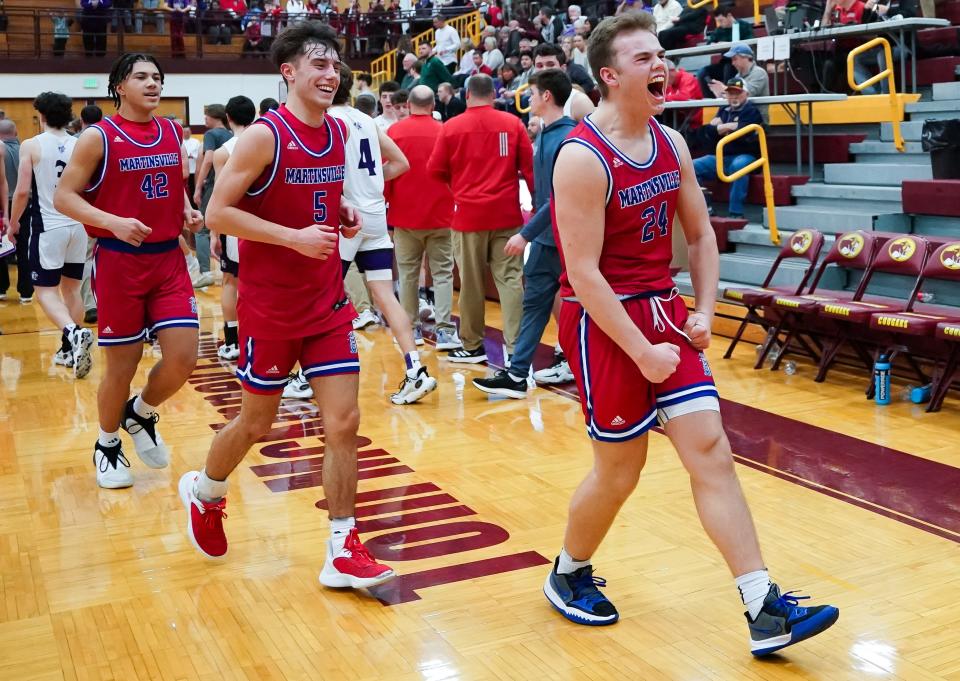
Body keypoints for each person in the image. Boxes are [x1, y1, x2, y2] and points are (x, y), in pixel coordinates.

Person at [544, 13, 839, 656]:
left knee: (711, 448)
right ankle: (568, 572)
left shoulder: (672, 145)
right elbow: (584, 275)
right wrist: (640, 349)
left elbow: (702, 236)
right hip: (602, 322)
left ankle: (763, 605)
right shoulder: (581, 158)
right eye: (644, 57)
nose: (660, 65)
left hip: (663, 311)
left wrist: (702, 310)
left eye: (661, 55)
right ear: (610, 76)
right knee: (620, 471)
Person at [179, 23, 396, 592]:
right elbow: (217, 213)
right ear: (289, 73)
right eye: (318, 64)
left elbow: (314, 195)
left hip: (325, 302)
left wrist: (342, 206)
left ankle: (342, 547)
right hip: (270, 306)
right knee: (257, 422)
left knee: (344, 422)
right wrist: (293, 237)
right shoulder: (261, 136)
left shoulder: (337, 133)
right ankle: (205, 490)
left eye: (336, 65)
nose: (331, 74)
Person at [55, 53, 203, 489]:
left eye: (157, 77)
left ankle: (138, 413)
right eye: (141, 77)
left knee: (183, 358)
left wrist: (188, 210)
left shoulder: (172, 131)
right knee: (122, 364)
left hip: (168, 260)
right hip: (120, 260)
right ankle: (106, 443)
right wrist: (111, 221)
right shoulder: (98, 137)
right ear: (119, 85)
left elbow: (172, 185)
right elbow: (65, 197)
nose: (153, 84)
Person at [326, 65, 438, 405]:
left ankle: (307, 375)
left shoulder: (329, 120)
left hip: (347, 215)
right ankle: (416, 369)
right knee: (385, 295)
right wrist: (372, 184)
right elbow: (400, 163)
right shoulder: (368, 121)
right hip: (375, 212)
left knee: (323, 295)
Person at [472, 68, 576, 398]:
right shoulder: (546, 133)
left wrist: (525, 233)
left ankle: (591, 367)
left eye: (532, 93)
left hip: (569, 241)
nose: (528, 98)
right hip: (548, 239)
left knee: (584, 309)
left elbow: (560, 198)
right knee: (533, 304)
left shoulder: (568, 137)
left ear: (547, 96)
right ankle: (517, 374)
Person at [428, 74, 533, 364]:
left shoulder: (451, 127)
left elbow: (435, 170)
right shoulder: (513, 124)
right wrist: (537, 207)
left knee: (471, 284)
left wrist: (458, 190)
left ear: (468, 95)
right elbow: (529, 168)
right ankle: (515, 349)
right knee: (511, 281)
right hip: (507, 214)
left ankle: (472, 345)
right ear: (493, 94)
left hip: (468, 216)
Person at [9, 92, 95, 378]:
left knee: (45, 291)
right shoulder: (80, 143)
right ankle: (69, 348)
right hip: (79, 225)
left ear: (41, 116)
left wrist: (12, 223)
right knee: (71, 289)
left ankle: (72, 332)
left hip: (48, 226)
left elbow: (22, 191)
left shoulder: (32, 145)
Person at [386, 85, 461, 352]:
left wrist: (389, 206)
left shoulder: (395, 131)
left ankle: (412, 329)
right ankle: (444, 331)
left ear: (407, 104)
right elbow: (456, 173)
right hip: (441, 215)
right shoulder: (445, 131)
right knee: (442, 274)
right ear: (433, 105)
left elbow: (387, 173)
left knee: (407, 274)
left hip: (405, 215)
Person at [210, 95, 256, 361]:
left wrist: (215, 233)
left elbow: (219, 196)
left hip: (235, 223)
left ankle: (233, 341)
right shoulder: (269, 140)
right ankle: (258, 338)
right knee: (260, 283)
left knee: (230, 281)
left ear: (228, 118)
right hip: (263, 223)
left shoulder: (223, 152)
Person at [693, 77, 763, 219]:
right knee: (691, 167)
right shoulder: (723, 110)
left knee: (739, 166)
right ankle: (706, 208)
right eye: (730, 93)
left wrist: (720, 126)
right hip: (721, 157)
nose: (734, 97)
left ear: (746, 94)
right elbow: (706, 132)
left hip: (746, 155)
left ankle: (735, 214)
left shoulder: (751, 110)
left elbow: (745, 131)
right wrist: (729, 126)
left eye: (738, 93)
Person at [193, 103, 233, 286]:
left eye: (206, 116)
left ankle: (205, 271)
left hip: (213, 185)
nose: (204, 120)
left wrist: (198, 186)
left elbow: (208, 159)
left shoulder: (211, 134)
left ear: (213, 117)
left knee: (202, 229)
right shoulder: (231, 134)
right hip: (230, 186)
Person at [0, 120, 33, 304]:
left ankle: (1, 288)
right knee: (24, 249)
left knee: (1, 248)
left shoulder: (0, 151)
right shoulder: (25, 150)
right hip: (25, 203)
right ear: (16, 132)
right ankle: (26, 292)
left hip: (3, 204)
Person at [532, 43, 595, 121]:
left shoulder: (579, 101)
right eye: (539, 66)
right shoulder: (536, 101)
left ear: (563, 69)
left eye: (551, 65)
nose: (544, 70)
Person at [702, 42, 767, 100]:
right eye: (732, 60)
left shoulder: (759, 73)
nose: (733, 63)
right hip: (740, 112)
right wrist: (719, 93)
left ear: (746, 58)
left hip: (756, 113)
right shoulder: (737, 76)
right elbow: (732, 98)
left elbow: (746, 94)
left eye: (735, 59)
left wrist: (724, 88)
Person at [664, 57, 703, 129]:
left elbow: (685, 97)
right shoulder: (669, 83)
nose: (663, 78)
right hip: (678, 119)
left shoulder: (687, 78)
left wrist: (664, 97)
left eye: (664, 74)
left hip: (693, 123)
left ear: (672, 71)